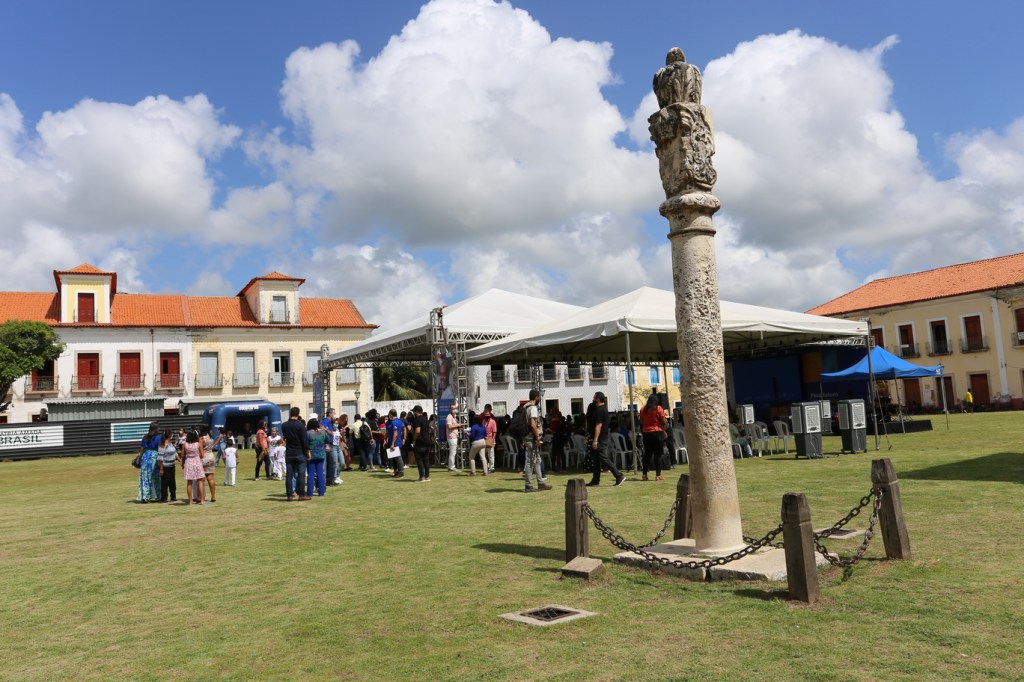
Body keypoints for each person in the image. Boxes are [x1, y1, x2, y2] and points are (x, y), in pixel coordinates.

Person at [586, 392, 625, 488]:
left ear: (598, 399)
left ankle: (619, 475)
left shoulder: (600, 410)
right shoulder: (601, 409)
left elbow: (599, 425)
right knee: (596, 459)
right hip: (599, 437)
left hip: (600, 438)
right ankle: (595, 480)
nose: (593, 399)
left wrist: (595, 440)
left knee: (603, 458)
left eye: (594, 397)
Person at [522, 389, 552, 493]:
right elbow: (533, 424)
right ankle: (528, 485)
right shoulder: (533, 408)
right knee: (531, 461)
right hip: (531, 437)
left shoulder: (525, 407)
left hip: (527, 436)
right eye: (539, 397)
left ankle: (540, 482)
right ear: (536, 397)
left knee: (537, 460)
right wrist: (537, 437)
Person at [282, 407, 311, 501]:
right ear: (298, 414)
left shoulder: (284, 425)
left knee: (289, 475)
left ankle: (289, 495)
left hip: (289, 452)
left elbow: (285, 437)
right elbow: (304, 440)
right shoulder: (300, 425)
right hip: (299, 452)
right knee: (301, 474)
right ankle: (302, 494)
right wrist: (308, 452)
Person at [639, 394, 669, 481]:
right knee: (658, 454)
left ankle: (644, 475)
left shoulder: (642, 409)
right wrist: (666, 420)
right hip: (657, 432)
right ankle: (658, 475)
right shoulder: (658, 408)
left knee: (647, 454)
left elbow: (641, 422)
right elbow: (663, 421)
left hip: (647, 433)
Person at [137, 422, 162, 503]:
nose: (159, 429)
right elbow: (160, 448)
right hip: (154, 457)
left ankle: (145, 497)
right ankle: (158, 495)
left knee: (145, 478)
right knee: (155, 477)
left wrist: (139, 458)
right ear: (155, 429)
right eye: (158, 428)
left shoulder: (145, 437)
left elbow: (142, 449)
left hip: (145, 457)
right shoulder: (158, 438)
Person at [306, 417, 329, 496]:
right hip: (321, 454)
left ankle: (309, 492)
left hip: (311, 454)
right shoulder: (323, 432)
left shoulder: (308, 433)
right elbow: (327, 441)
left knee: (311, 474)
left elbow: (306, 445)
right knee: (320, 473)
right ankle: (322, 491)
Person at [182, 430, 206, 505]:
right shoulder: (198, 444)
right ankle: (202, 500)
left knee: (189, 482)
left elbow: (182, 455)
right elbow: (202, 455)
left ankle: (190, 501)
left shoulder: (185, 444)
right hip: (197, 461)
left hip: (189, 462)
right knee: (200, 481)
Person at [409, 405, 432, 482]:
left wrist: (413, 439)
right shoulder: (426, 419)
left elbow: (418, 431)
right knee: (426, 460)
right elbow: (430, 429)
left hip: (420, 442)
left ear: (416, 411)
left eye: (414, 411)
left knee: (419, 460)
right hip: (427, 441)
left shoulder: (417, 420)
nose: (413, 413)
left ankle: (421, 477)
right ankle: (427, 476)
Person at [385, 409, 405, 479]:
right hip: (395, 441)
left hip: (396, 442)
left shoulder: (394, 422)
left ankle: (401, 471)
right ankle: (396, 471)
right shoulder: (399, 421)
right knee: (394, 458)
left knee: (398, 458)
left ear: (391, 415)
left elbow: (395, 434)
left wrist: (392, 443)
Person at [158, 430, 177, 503]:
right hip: (165, 465)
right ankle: (164, 498)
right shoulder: (163, 445)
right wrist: (161, 468)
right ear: (169, 435)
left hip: (172, 465)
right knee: (165, 482)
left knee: (172, 481)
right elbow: (160, 458)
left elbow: (175, 454)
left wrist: (180, 461)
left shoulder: (170, 444)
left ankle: (173, 496)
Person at [199, 425, 217, 503]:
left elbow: (200, 449)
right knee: (211, 478)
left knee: (201, 479)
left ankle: (201, 497)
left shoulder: (201, 438)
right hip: (211, 457)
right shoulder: (210, 437)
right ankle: (213, 496)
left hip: (204, 458)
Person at [445, 404, 464, 471]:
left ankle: (451, 466)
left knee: (453, 452)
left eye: (455, 408)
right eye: (453, 408)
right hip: (451, 437)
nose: (455, 410)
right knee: (452, 452)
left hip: (454, 436)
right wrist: (458, 425)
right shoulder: (449, 417)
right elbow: (449, 426)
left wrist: (459, 426)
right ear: (450, 409)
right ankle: (451, 467)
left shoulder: (454, 417)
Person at [482, 404, 498, 473]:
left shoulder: (493, 422)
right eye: (486, 416)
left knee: (491, 454)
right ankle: (487, 466)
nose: (487, 417)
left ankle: (492, 467)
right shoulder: (483, 421)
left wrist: (492, 439)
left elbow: (494, 432)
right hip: (484, 439)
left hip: (490, 439)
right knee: (485, 454)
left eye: (488, 416)